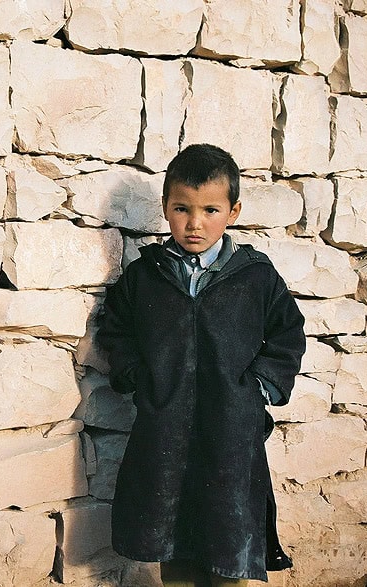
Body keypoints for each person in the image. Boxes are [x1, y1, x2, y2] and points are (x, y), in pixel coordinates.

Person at [96, 144, 305, 586]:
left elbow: (287, 334)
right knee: (172, 540)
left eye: (211, 209)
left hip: (232, 432)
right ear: (166, 209)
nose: (195, 223)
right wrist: (139, 377)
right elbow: (116, 331)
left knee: (230, 544)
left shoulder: (255, 276)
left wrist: (259, 388)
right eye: (181, 209)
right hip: (165, 431)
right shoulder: (145, 275)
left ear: (233, 211)